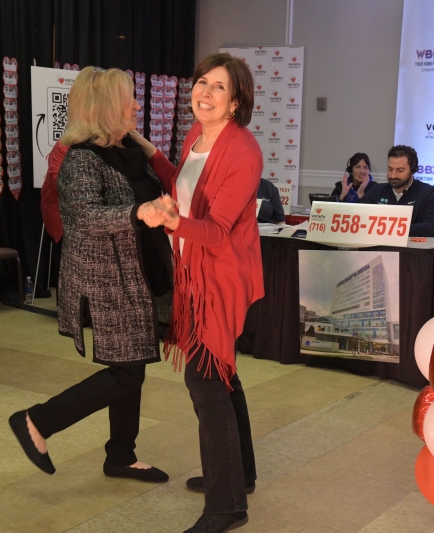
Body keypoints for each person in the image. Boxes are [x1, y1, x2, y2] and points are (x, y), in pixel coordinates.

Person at [8, 67, 173, 484]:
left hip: (140, 276)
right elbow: (84, 217)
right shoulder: (80, 158)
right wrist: (139, 212)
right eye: (128, 99)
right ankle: (37, 421)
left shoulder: (131, 151)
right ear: (106, 107)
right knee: (127, 372)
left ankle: (121, 456)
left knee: (132, 364)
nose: (136, 105)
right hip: (107, 282)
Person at [132, 52, 263, 533]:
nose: (205, 93)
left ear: (236, 102)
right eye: (202, 82)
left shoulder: (243, 151)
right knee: (222, 374)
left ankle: (226, 506)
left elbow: (217, 228)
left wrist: (170, 221)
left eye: (219, 87)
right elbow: (182, 183)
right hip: (194, 271)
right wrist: (147, 149)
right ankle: (241, 474)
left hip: (222, 276)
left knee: (205, 380)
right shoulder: (195, 136)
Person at [360, 145, 434, 237]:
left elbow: (432, 227)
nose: (393, 175)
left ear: (413, 169)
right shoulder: (377, 190)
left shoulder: (429, 193)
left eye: (400, 170)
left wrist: (389, 229)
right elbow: (358, 218)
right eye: (390, 169)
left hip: (413, 246)